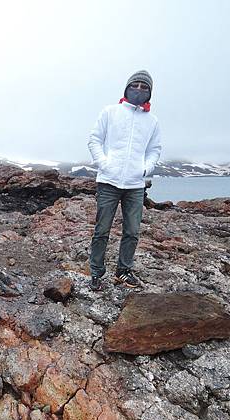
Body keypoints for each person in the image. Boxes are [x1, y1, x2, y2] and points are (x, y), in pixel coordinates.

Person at [87, 69, 162, 290]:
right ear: (127, 88)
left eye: (144, 87)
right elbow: (94, 140)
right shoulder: (110, 112)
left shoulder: (152, 121)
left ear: (149, 93)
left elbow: (155, 149)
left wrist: (146, 168)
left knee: (132, 231)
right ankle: (96, 272)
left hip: (135, 185)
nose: (139, 90)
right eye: (135, 85)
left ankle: (124, 271)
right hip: (109, 182)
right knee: (102, 230)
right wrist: (104, 163)